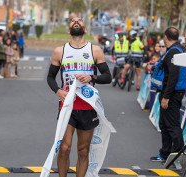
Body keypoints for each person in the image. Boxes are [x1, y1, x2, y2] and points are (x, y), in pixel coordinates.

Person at [47, 17, 111, 177]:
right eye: (73, 21)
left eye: (80, 20)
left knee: (83, 151)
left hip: (88, 106)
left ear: (85, 29)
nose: (76, 21)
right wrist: (58, 91)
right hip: (67, 105)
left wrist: (92, 77)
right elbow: (50, 77)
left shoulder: (94, 50)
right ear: (69, 30)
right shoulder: (59, 51)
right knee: (64, 148)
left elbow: (108, 76)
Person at [150, 27, 186, 161]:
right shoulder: (177, 50)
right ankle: (165, 153)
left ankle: (176, 153)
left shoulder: (174, 52)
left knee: (171, 125)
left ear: (165, 37)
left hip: (172, 93)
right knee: (164, 124)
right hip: (171, 92)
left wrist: (166, 97)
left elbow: (173, 76)